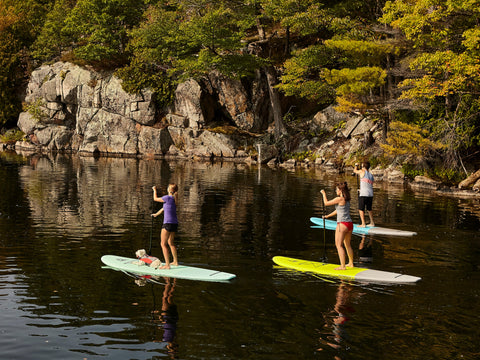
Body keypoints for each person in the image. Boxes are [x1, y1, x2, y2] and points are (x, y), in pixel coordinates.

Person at [320, 182, 354, 270]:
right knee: (347, 245)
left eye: (336, 189)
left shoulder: (339, 199)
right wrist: (327, 216)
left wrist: (324, 194)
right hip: (349, 224)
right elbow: (338, 210)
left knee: (339, 245)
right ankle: (351, 263)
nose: (336, 190)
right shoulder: (347, 199)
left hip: (342, 225)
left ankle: (342, 266)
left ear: (340, 190)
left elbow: (326, 203)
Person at [152, 184, 179, 269]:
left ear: (170, 189)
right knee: (171, 243)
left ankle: (167, 265)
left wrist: (154, 190)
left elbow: (155, 199)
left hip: (167, 223)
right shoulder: (174, 199)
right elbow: (164, 208)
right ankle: (175, 262)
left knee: (163, 244)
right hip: (174, 224)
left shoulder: (167, 197)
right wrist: (156, 214)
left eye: (168, 187)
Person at [353, 161, 375, 227]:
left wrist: (356, 165)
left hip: (363, 194)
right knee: (369, 209)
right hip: (370, 194)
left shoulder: (362, 171)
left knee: (361, 209)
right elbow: (368, 184)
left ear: (363, 166)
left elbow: (355, 171)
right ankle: (372, 222)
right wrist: (360, 189)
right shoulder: (371, 175)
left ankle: (363, 223)